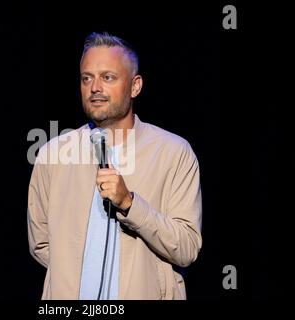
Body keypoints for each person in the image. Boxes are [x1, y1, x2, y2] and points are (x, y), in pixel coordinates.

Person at [27, 32, 202, 300]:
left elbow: (187, 248)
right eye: (87, 78)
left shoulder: (173, 152)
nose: (95, 87)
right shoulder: (53, 155)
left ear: (135, 86)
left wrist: (131, 204)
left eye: (107, 77)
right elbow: (40, 243)